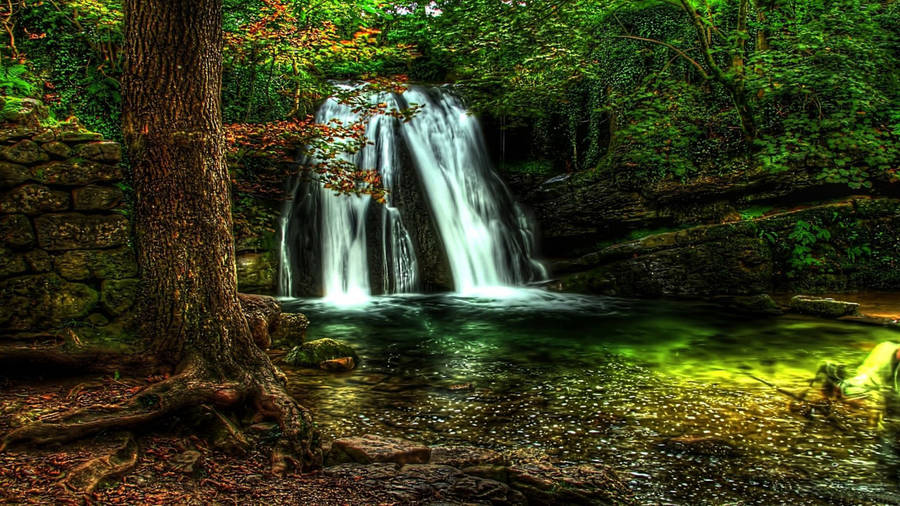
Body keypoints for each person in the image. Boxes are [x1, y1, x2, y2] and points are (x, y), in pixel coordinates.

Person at [817, 341, 900, 403]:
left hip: (870, 374)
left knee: (865, 381)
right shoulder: (887, 349)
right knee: (867, 385)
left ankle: (833, 379)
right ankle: (833, 380)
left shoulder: (886, 346)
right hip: (868, 380)